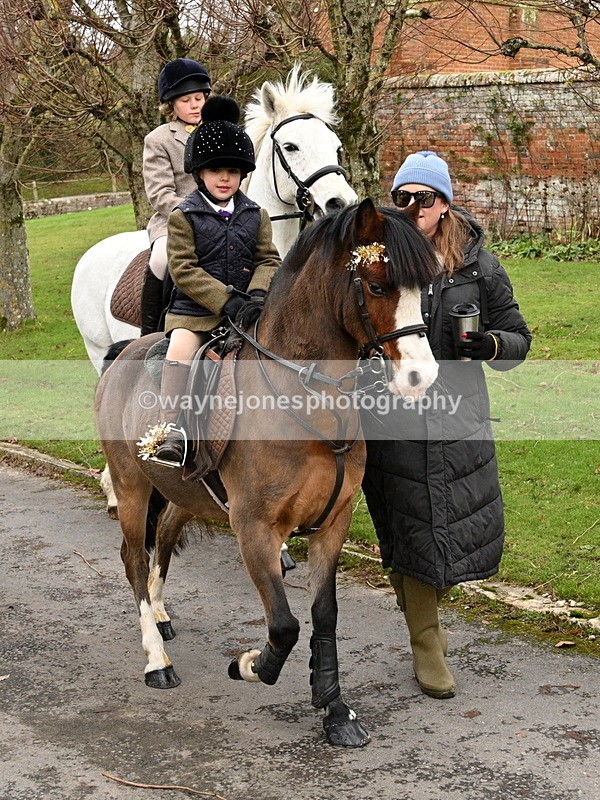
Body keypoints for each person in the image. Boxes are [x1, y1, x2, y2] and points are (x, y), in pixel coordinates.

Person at [361, 151, 532, 699]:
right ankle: (426, 644)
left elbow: (517, 338)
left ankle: (427, 614)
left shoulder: (479, 266)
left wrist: (492, 345)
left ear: (445, 204)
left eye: (423, 198)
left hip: (459, 415)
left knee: (452, 527)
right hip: (394, 412)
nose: (411, 207)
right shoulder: (377, 259)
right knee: (408, 527)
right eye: (401, 197)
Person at [152, 95, 281, 466]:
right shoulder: (183, 215)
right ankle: (172, 430)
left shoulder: (257, 214)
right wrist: (226, 301)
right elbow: (184, 270)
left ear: (242, 173)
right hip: (195, 313)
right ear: (199, 173)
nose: (224, 178)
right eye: (215, 171)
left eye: (232, 171)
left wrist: (256, 294)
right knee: (179, 352)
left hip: (249, 311)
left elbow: (268, 259)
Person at [141, 58, 212, 336]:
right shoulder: (159, 140)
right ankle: (151, 330)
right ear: (171, 105)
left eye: (199, 98)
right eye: (186, 100)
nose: (195, 105)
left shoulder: (219, 131)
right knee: (161, 258)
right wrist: (197, 212)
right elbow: (160, 194)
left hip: (224, 214)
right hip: (174, 220)